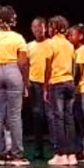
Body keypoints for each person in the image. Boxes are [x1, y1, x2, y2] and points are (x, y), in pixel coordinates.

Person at [0, 6, 30, 167]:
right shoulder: (18, 37)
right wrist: (23, 80)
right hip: (12, 69)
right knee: (14, 115)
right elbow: (22, 61)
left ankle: (0, 155)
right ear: (13, 19)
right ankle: (17, 155)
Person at [44, 15, 78, 166]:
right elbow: (73, 65)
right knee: (69, 118)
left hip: (57, 83)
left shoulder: (51, 43)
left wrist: (45, 87)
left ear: (54, 28)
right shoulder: (69, 45)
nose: (48, 29)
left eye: (50, 26)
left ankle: (61, 154)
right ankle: (72, 155)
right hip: (69, 82)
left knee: (58, 118)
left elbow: (48, 67)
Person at [26, 17, 55, 159]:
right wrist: (26, 83)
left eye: (40, 26)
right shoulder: (29, 46)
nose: (37, 30)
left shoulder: (51, 44)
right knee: (37, 116)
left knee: (51, 116)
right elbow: (26, 65)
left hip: (50, 83)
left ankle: (57, 148)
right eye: (34, 27)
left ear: (45, 28)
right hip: (34, 84)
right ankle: (38, 150)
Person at [69, 24, 84, 163]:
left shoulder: (83, 49)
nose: (69, 37)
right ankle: (80, 147)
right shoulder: (75, 50)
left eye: (72, 35)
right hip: (78, 90)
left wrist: (72, 86)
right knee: (79, 119)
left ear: (80, 36)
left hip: (83, 88)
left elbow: (78, 71)